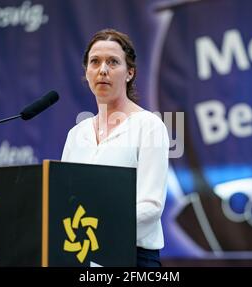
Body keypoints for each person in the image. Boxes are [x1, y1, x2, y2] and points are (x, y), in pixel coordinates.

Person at [61, 28, 169, 267]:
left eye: (113, 62)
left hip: (132, 257)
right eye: (95, 62)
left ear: (130, 73)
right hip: (81, 255)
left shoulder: (149, 126)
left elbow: (151, 208)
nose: (103, 70)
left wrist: (99, 229)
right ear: (86, 73)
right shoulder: (76, 134)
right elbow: (64, 200)